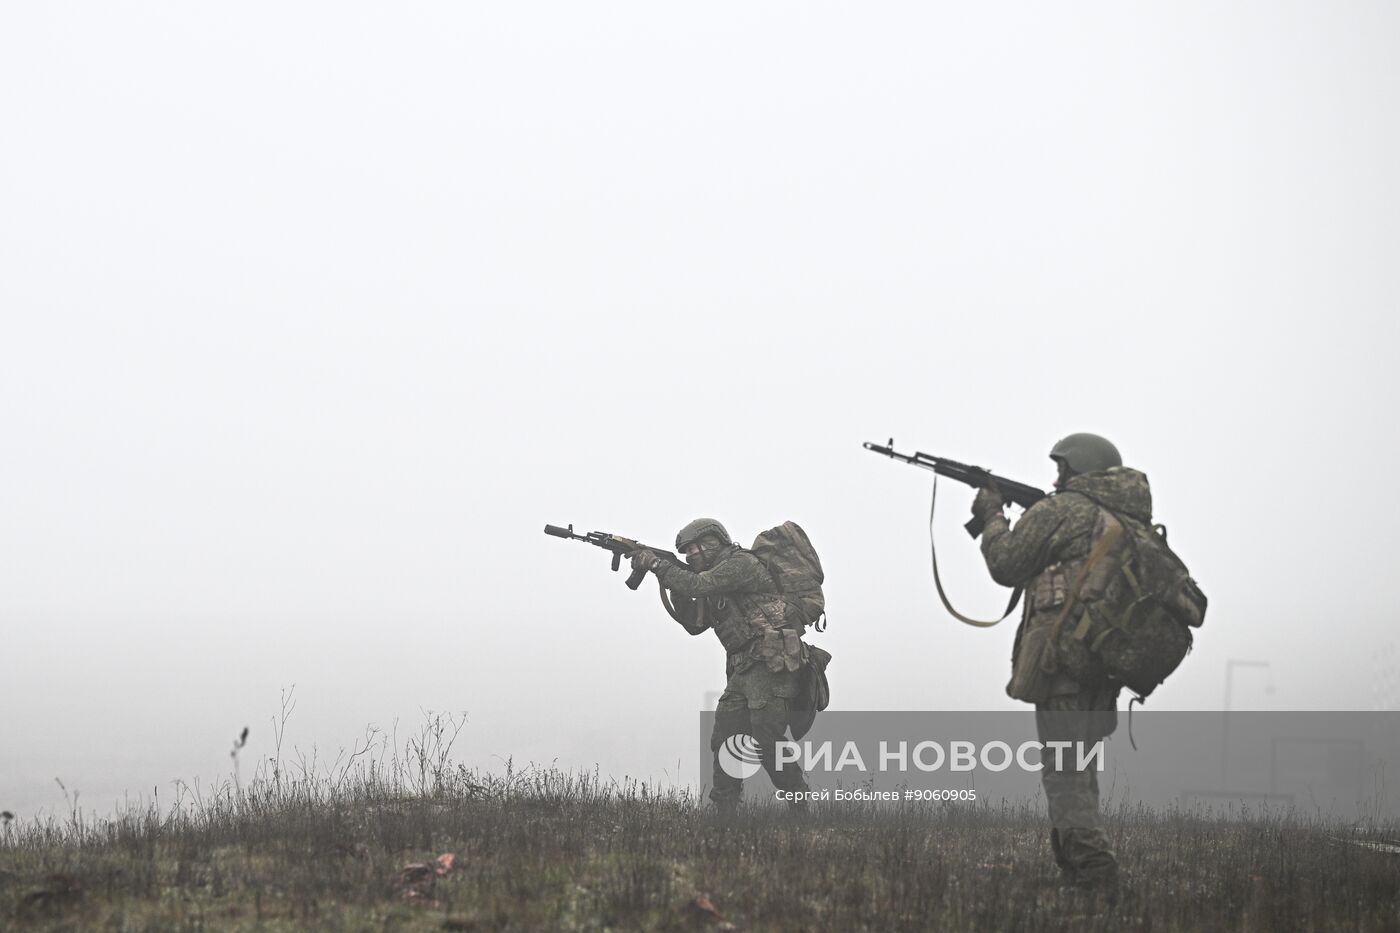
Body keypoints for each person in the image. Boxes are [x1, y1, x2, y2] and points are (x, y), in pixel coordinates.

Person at [972, 433, 1149, 889]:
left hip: (1064, 663)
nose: (1056, 477)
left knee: (1066, 771)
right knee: (1077, 769)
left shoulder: (1067, 510)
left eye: (1062, 469)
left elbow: (1007, 563)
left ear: (1077, 470)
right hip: (1101, 666)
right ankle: (1076, 873)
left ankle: (1096, 874)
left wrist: (992, 514)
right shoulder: (1124, 520)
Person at [630, 518, 812, 817]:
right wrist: (669, 581)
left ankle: (798, 807)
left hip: (771, 662)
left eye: (693, 549)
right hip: (742, 669)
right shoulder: (714, 581)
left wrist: (659, 566)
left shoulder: (739, 565)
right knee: (726, 739)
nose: (690, 556)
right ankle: (724, 816)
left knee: (766, 739)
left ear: (713, 541)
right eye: (685, 552)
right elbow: (695, 624)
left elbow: (698, 585)